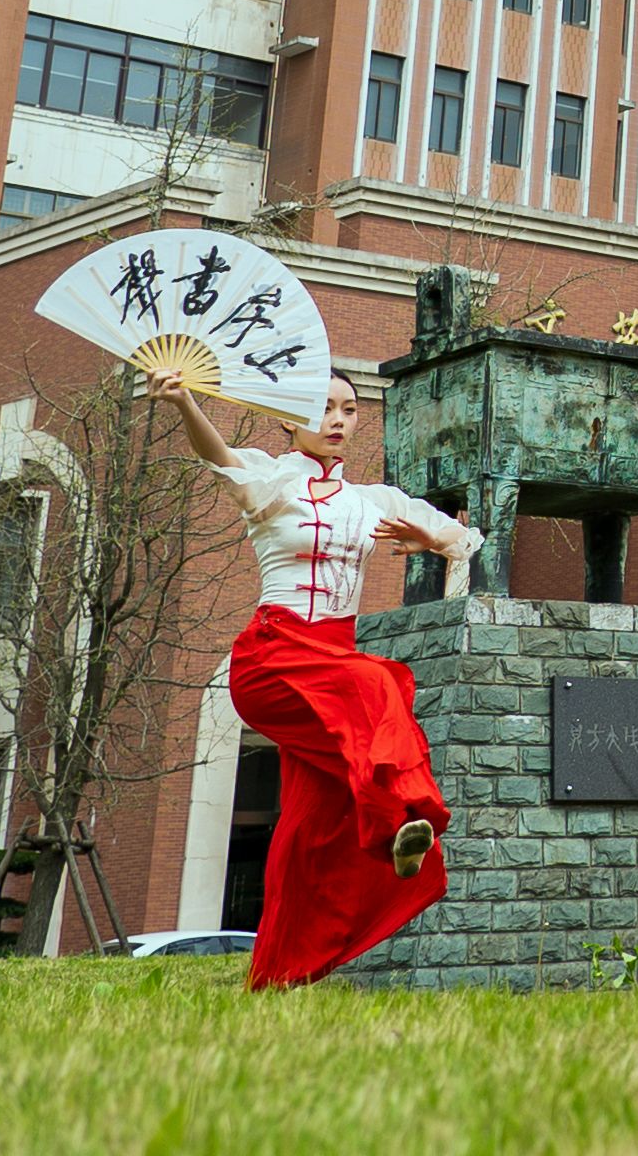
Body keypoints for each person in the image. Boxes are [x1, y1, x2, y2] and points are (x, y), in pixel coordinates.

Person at [173, 369, 478, 989]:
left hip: (332, 666)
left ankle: (283, 972)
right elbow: (218, 457)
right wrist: (184, 401)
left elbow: (465, 541)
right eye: (325, 409)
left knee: (308, 827)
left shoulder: (375, 502)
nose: (339, 421)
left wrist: (432, 539)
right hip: (275, 657)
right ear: (290, 416)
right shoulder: (272, 481)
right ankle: (400, 816)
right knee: (379, 682)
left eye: (350, 409)